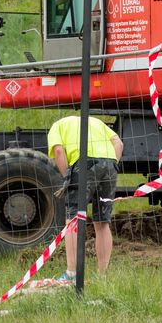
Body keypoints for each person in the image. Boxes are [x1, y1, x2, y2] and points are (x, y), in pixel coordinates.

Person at [47, 114, 124, 281]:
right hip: (110, 166)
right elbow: (118, 143)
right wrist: (110, 165)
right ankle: (102, 275)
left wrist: (67, 176)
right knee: (102, 222)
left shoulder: (57, 125)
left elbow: (59, 151)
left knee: (73, 219)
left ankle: (72, 273)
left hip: (84, 164)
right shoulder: (96, 122)